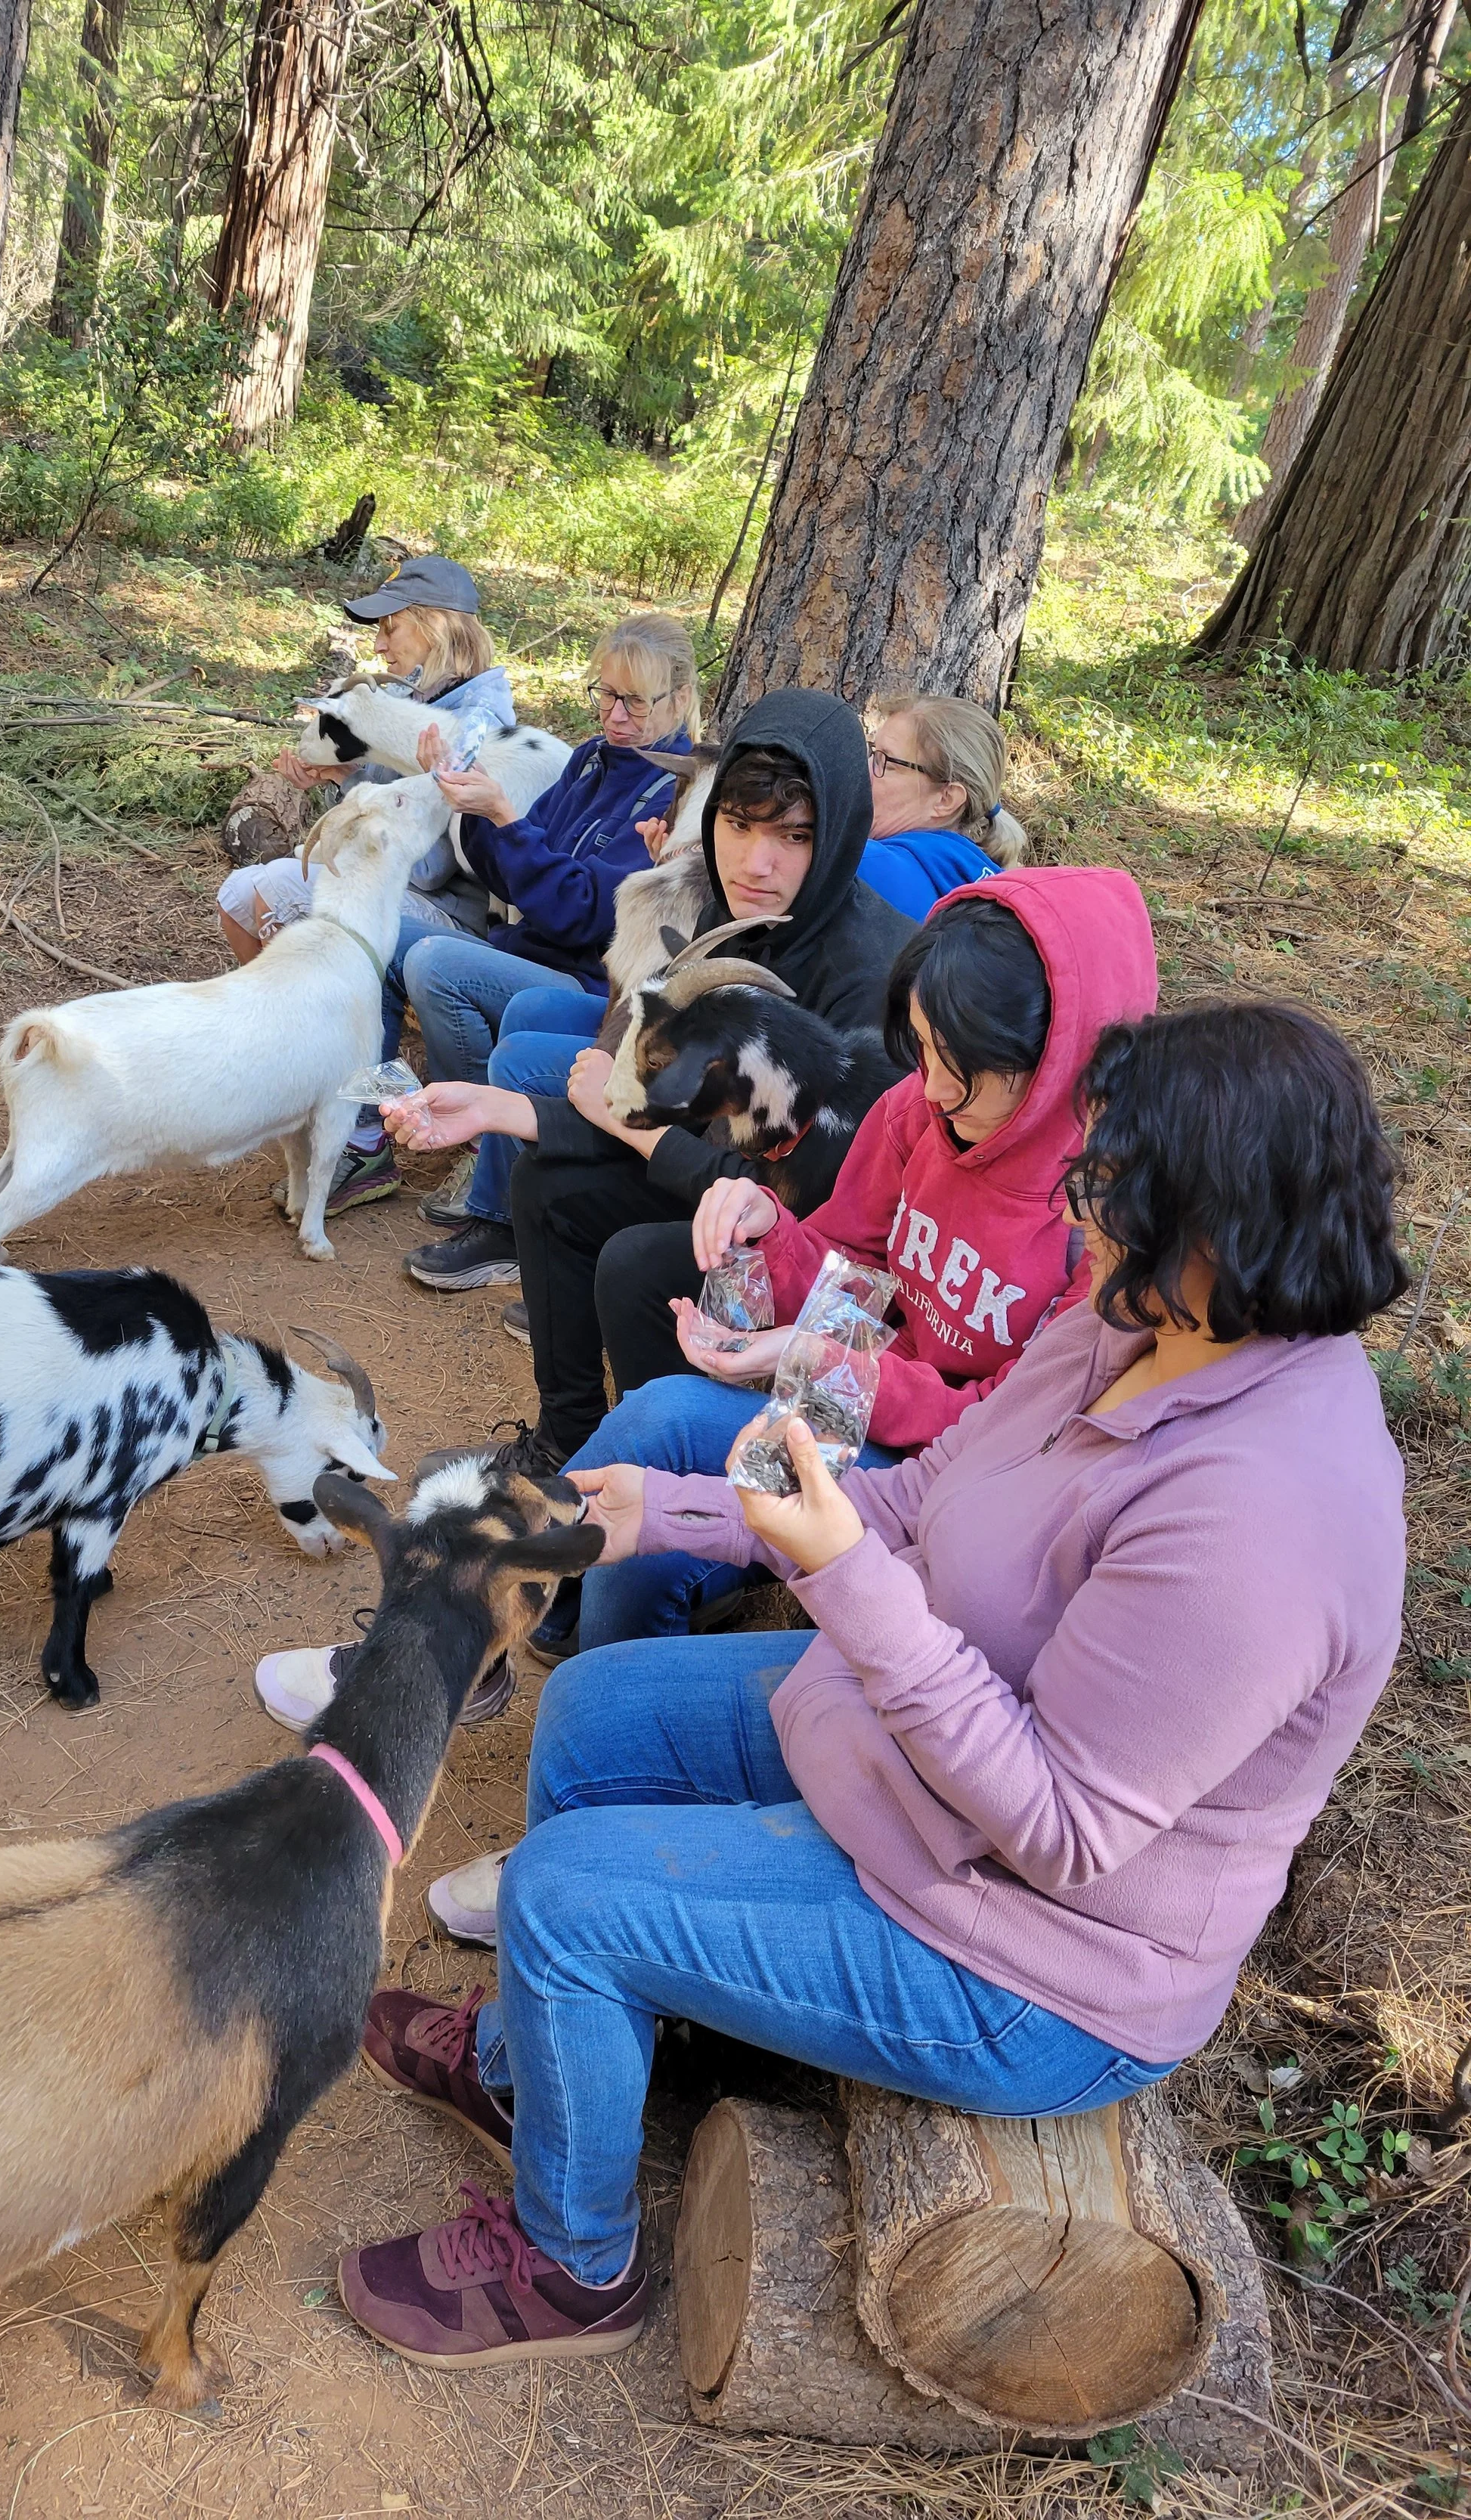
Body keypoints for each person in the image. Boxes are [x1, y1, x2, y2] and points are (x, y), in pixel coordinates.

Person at [336, 998, 1409, 2370]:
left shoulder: (1268, 1515)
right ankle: (531, 2067)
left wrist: (847, 1588)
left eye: (1109, 1184)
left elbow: (1065, 1827)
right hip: (925, 1745)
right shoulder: (1131, 1327)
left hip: (1038, 1955)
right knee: (598, 1712)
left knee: (563, 1895)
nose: (1079, 1210)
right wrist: (664, 1510)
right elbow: (916, 1498)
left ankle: (572, 2263)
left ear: (1221, 1225)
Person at [422, 866, 1160, 1948]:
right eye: (927, 1058)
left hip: (938, 1471)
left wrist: (820, 1363)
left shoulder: (1095, 1209)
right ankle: (601, 1707)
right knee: (656, 1421)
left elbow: (1010, 1420)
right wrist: (764, 1231)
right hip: (855, 1392)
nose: (939, 1096)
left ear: (1061, 1058)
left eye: (971, 1075)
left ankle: (633, 1827)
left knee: (704, 1461)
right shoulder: (921, 1110)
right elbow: (856, 1254)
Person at [392, 689, 916, 1437]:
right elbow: (681, 1105)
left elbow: (793, 1205)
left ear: (835, 836)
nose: (756, 862)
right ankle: (564, 1442)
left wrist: (629, 1129)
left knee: (636, 1262)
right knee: (548, 1187)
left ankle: (654, 1475)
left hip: (818, 1254)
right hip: (722, 1188)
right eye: (737, 826)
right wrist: (502, 1110)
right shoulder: (732, 916)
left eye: (793, 837)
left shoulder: (872, 980)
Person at [386, 613, 699, 1283]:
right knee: (385, 931)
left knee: (435, 963)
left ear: (679, 699)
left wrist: (505, 818)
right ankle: (364, 1133)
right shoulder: (590, 760)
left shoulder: (676, 795)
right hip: (530, 948)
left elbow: (585, 914)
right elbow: (515, 878)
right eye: (605, 694)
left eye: (634, 701)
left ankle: (482, 1145)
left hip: (583, 978)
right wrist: (471, 804)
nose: (614, 715)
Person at [215, 553, 516, 1213]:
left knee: (288, 897)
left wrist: (350, 786)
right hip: (395, 888)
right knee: (240, 896)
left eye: (393, 628)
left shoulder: (478, 719)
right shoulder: (416, 698)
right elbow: (377, 830)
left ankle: (353, 1127)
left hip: (451, 914)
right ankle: (304, 1073)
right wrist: (334, 779)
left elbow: (436, 864)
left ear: (435, 629)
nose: (379, 645)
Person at [858, 692, 1030, 917]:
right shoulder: (979, 884)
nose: (864, 770)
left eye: (886, 762)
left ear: (945, 800)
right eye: (872, 753)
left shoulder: (865, 867)